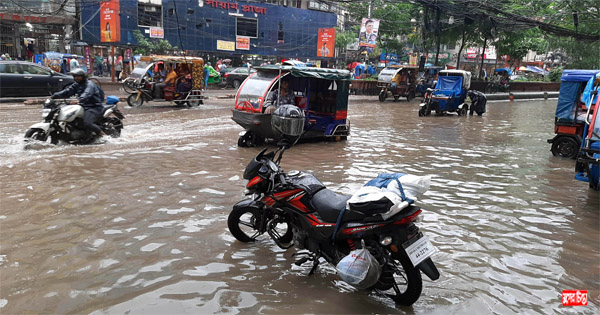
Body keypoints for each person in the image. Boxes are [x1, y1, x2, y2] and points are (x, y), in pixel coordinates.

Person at [50, 68, 107, 137]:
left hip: (93, 106)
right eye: (75, 76)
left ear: (83, 76)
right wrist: (54, 96)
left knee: (87, 123)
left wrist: (79, 100)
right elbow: (68, 91)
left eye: (79, 76)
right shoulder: (76, 84)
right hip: (83, 105)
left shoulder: (90, 84)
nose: (77, 78)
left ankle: (103, 135)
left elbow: (87, 93)